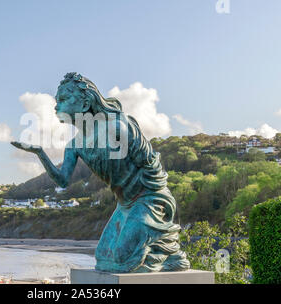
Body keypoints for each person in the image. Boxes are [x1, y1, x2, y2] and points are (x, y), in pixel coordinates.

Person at [12, 72, 190, 273]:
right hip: (124, 206)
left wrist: (156, 200)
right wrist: (40, 153)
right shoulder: (75, 145)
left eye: (63, 99)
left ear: (85, 103)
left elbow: (150, 164)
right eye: (57, 101)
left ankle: (166, 253)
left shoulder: (118, 126)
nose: (56, 106)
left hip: (149, 199)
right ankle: (157, 249)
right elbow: (62, 181)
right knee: (104, 258)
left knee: (123, 260)